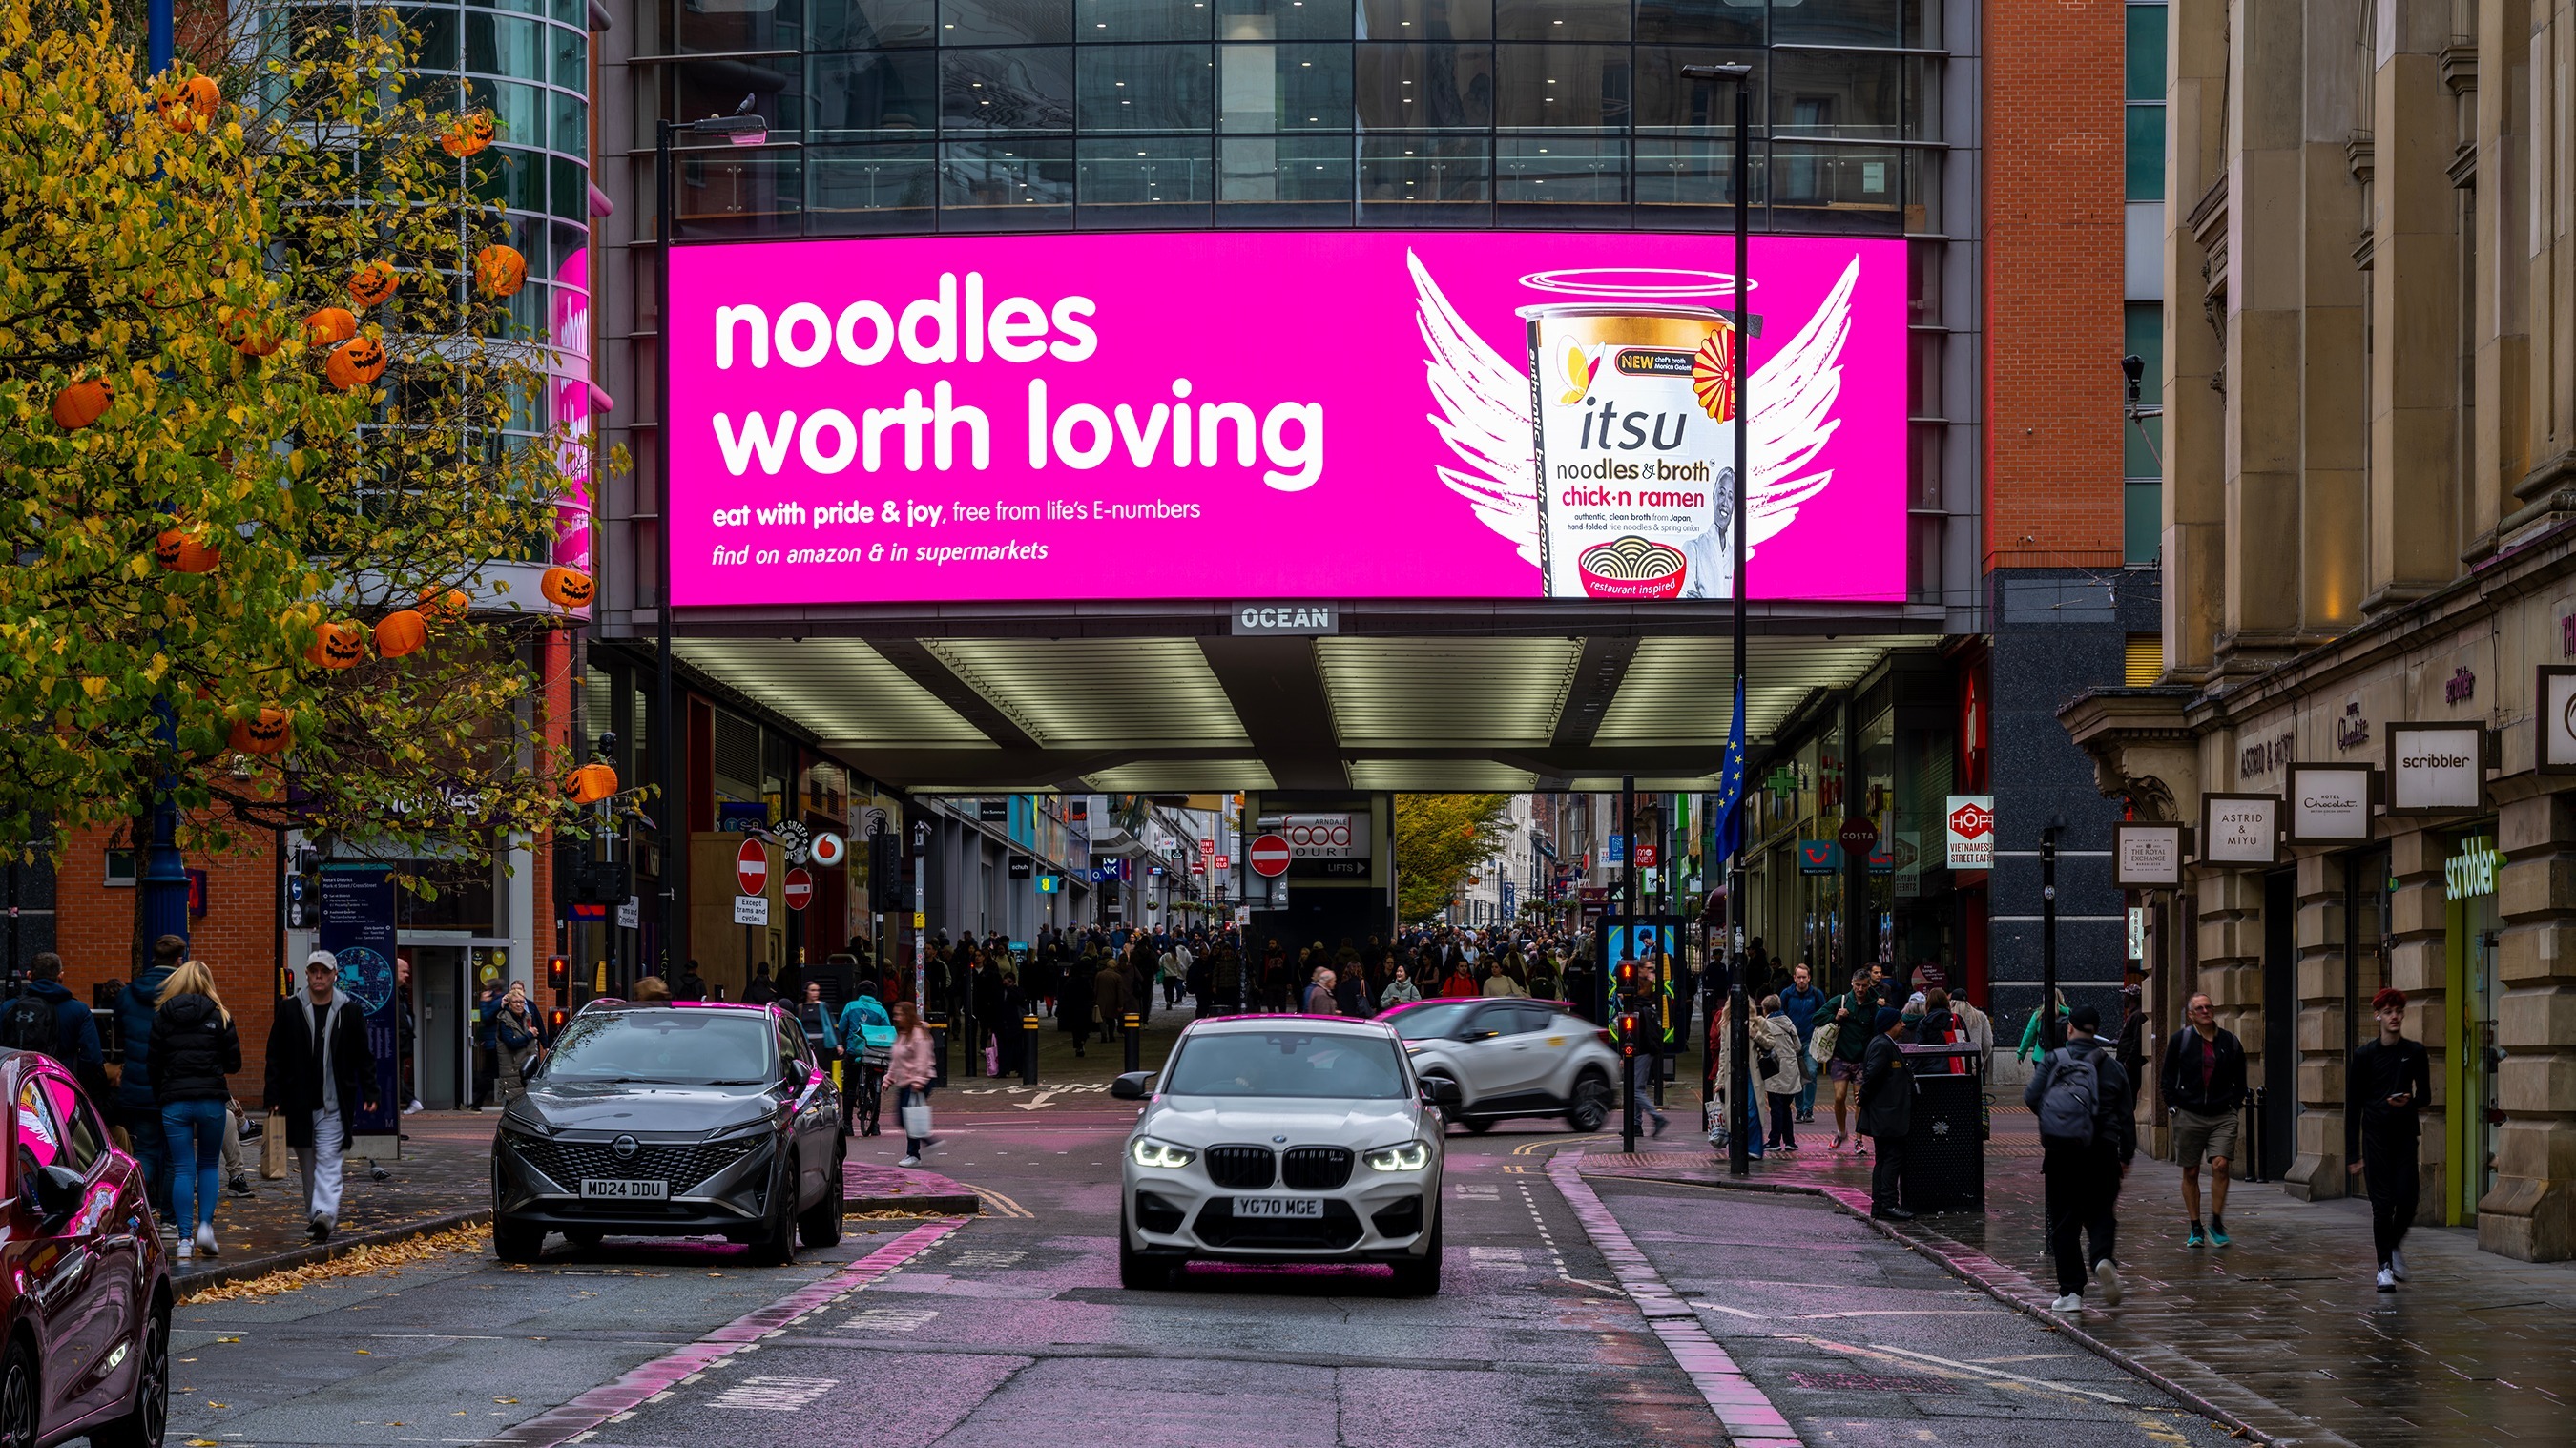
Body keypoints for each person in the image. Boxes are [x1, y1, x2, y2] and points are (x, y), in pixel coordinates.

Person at [2025, 1003, 2135, 1314]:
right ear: (2096, 1030)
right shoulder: (2114, 1068)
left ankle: (2071, 1293)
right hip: (2103, 1152)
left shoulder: (2053, 1060)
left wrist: (2057, 1120)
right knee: (2101, 1213)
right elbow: (2126, 1117)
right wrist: (2125, 1156)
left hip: (2061, 1153)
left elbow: (2032, 1097)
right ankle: (2102, 1258)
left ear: (2070, 1027)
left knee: (2064, 1222)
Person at [263, 951, 376, 1241]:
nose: (318, 977)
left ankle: (325, 1214)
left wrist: (369, 1088)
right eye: (313, 971)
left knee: (328, 1159)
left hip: (334, 1101)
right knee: (308, 1162)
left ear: (334, 975)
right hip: (298, 1100)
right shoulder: (290, 1010)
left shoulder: (348, 1011)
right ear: (307, 974)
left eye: (324, 972)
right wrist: (273, 1093)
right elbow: (275, 1054)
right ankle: (315, 1215)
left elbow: (362, 1054)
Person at [152, 961, 240, 1261]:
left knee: (182, 1168)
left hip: (174, 1100)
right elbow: (234, 1064)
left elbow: (153, 1062)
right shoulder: (220, 1015)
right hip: (210, 1100)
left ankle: (184, 1240)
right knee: (207, 1165)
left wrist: (162, 1093)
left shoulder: (163, 1016)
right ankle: (205, 1227)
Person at [2348, 987, 2430, 1292]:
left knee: (2408, 1200)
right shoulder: (2364, 1056)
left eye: (2398, 1011)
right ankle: (2383, 1267)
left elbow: (2426, 1096)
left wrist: (2408, 1101)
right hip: (2375, 1137)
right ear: (2378, 1016)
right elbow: (2353, 1105)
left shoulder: (2415, 1052)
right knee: (2382, 1205)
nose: (2394, 1016)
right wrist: (2351, 1154)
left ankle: (2392, 1247)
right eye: (2388, 1012)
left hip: (2406, 1134)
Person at [2160, 991, 2247, 1248]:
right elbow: (2167, 1077)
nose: (2206, 1011)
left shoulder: (2229, 1041)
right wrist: (2173, 1106)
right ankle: (2195, 1227)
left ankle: (2217, 1223)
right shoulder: (2180, 1041)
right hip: (2189, 1114)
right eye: (2200, 1008)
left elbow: (2241, 1077)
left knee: (2221, 1165)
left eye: (2209, 1006)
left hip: (2222, 1114)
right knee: (2192, 1171)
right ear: (2190, 1015)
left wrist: (2235, 1104)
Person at [114, 934, 184, 1220]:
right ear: (179, 959)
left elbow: (120, 1030)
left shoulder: (127, 994)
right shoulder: (182, 992)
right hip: (172, 1084)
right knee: (172, 1156)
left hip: (137, 1083)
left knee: (144, 1150)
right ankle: (168, 1218)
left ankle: (137, 1213)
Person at [5, 951, 107, 1103]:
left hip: (17, 1089)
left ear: (30, 975)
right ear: (61, 975)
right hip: (60, 1088)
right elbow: (92, 1059)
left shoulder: (9, 1008)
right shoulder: (78, 1010)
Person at [1858, 1006, 1915, 1219]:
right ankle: (1888, 1203)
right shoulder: (1882, 1045)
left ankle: (1880, 1204)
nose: (1903, 1025)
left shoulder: (1884, 1043)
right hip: (1887, 1114)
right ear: (1890, 1024)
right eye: (1900, 1022)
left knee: (1883, 1158)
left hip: (1886, 1113)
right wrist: (1863, 1095)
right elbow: (1872, 1075)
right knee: (1891, 1158)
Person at [1821, 968, 1880, 1152]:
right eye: (1857, 985)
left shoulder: (1873, 1006)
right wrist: (1836, 1016)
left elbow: (1880, 1028)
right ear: (1852, 984)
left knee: (1859, 1099)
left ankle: (1859, 1138)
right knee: (1839, 1097)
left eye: (1863, 986)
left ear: (1869, 985)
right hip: (1841, 1057)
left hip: (1862, 1059)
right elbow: (1817, 1017)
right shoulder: (1841, 1000)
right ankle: (1841, 1132)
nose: (1860, 989)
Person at [837, 983, 896, 1135]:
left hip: (854, 1052)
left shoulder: (851, 1006)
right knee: (874, 1086)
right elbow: (887, 1031)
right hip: (875, 1054)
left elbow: (842, 1027)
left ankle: (848, 1125)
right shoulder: (881, 1010)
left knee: (849, 1087)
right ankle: (874, 1125)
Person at [888, 1000, 936, 1167]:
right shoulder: (902, 1034)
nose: (896, 1017)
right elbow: (896, 1059)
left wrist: (918, 1081)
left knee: (909, 1118)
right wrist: (889, 1078)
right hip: (905, 1081)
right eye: (895, 1014)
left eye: (900, 1014)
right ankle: (927, 1140)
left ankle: (913, 1155)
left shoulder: (918, 1035)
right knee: (903, 1118)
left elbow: (922, 1061)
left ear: (908, 1015)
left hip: (919, 1080)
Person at [1777, 962, 1825, 1123]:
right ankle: (1799, 1110)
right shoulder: (1786, 994)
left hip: (1811, 1040)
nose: (1802, 980)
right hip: (1791, 1042)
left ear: (1809, 978)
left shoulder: (1816, 995)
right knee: (1796, 1076)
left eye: (1805, 977)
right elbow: (1780, 1014)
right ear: (1794, 978)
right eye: (1799, 977)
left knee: (1811, 1073)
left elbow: (1824, 1014)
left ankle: (1808, 1109)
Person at [1757, 995, 1805, 1153]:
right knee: (1786, 1107)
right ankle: (1790, 1141)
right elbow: (1798, 1046)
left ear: (1765, 1009)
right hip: (1791, 1070)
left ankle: (1774, 1141)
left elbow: (1763, 1045)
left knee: (1776, 1108)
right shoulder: (1789, 1023)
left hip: (1775, 1070)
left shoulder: (1766, 1024)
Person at [491, 982, 548, 1103]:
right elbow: (511, 1043)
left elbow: (541, 1029)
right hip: (512, 1070)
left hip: (527, 1068)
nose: (519, 1005)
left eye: (521, 1002)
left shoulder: (528, 1017)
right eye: (515, 1002)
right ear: (509, 1004)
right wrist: (529, 1035)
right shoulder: (504, 1020)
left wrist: (545, 1045)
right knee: (513, 1103)